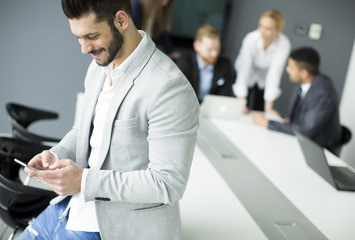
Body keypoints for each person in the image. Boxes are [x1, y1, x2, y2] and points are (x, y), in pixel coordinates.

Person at [17, 0, 199, 239]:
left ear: (121, 20)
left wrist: (83, 181)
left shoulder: (169, 87)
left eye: (91, 36)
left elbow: (167, 184)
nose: (84, 48)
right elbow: (82, 131)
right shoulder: (98, 68)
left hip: (116, 226)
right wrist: (57, 155)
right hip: (71, 206)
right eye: (78, 38)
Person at [253, 47, 342, 152]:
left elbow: (305, 130)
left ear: (304, 73)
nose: (287, 69)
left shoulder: (323, 93)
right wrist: (290, 122)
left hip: (318, 149)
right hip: (300, 142)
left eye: (291, 67)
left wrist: (268, 123)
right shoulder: (303, 82)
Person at [233, 9, 291, 114]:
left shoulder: (284, 44)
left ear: (278, 31)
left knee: (260, 110)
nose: (262, 31)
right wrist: (241, 103)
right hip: (246, 73)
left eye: (268, 28)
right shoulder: (250, 39)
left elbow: (274, 75)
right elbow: (244, 71)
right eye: (261, 26)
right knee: (240, 109)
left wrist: (268, 109)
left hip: (264, 77)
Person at [175, 24, 235, 103]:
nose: (215, 54)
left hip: (213, 110)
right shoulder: (183, 63)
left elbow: (225, 94)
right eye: (209, 49)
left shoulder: (225, 64)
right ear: (196, 46)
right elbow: (180, 94)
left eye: (217, 49)